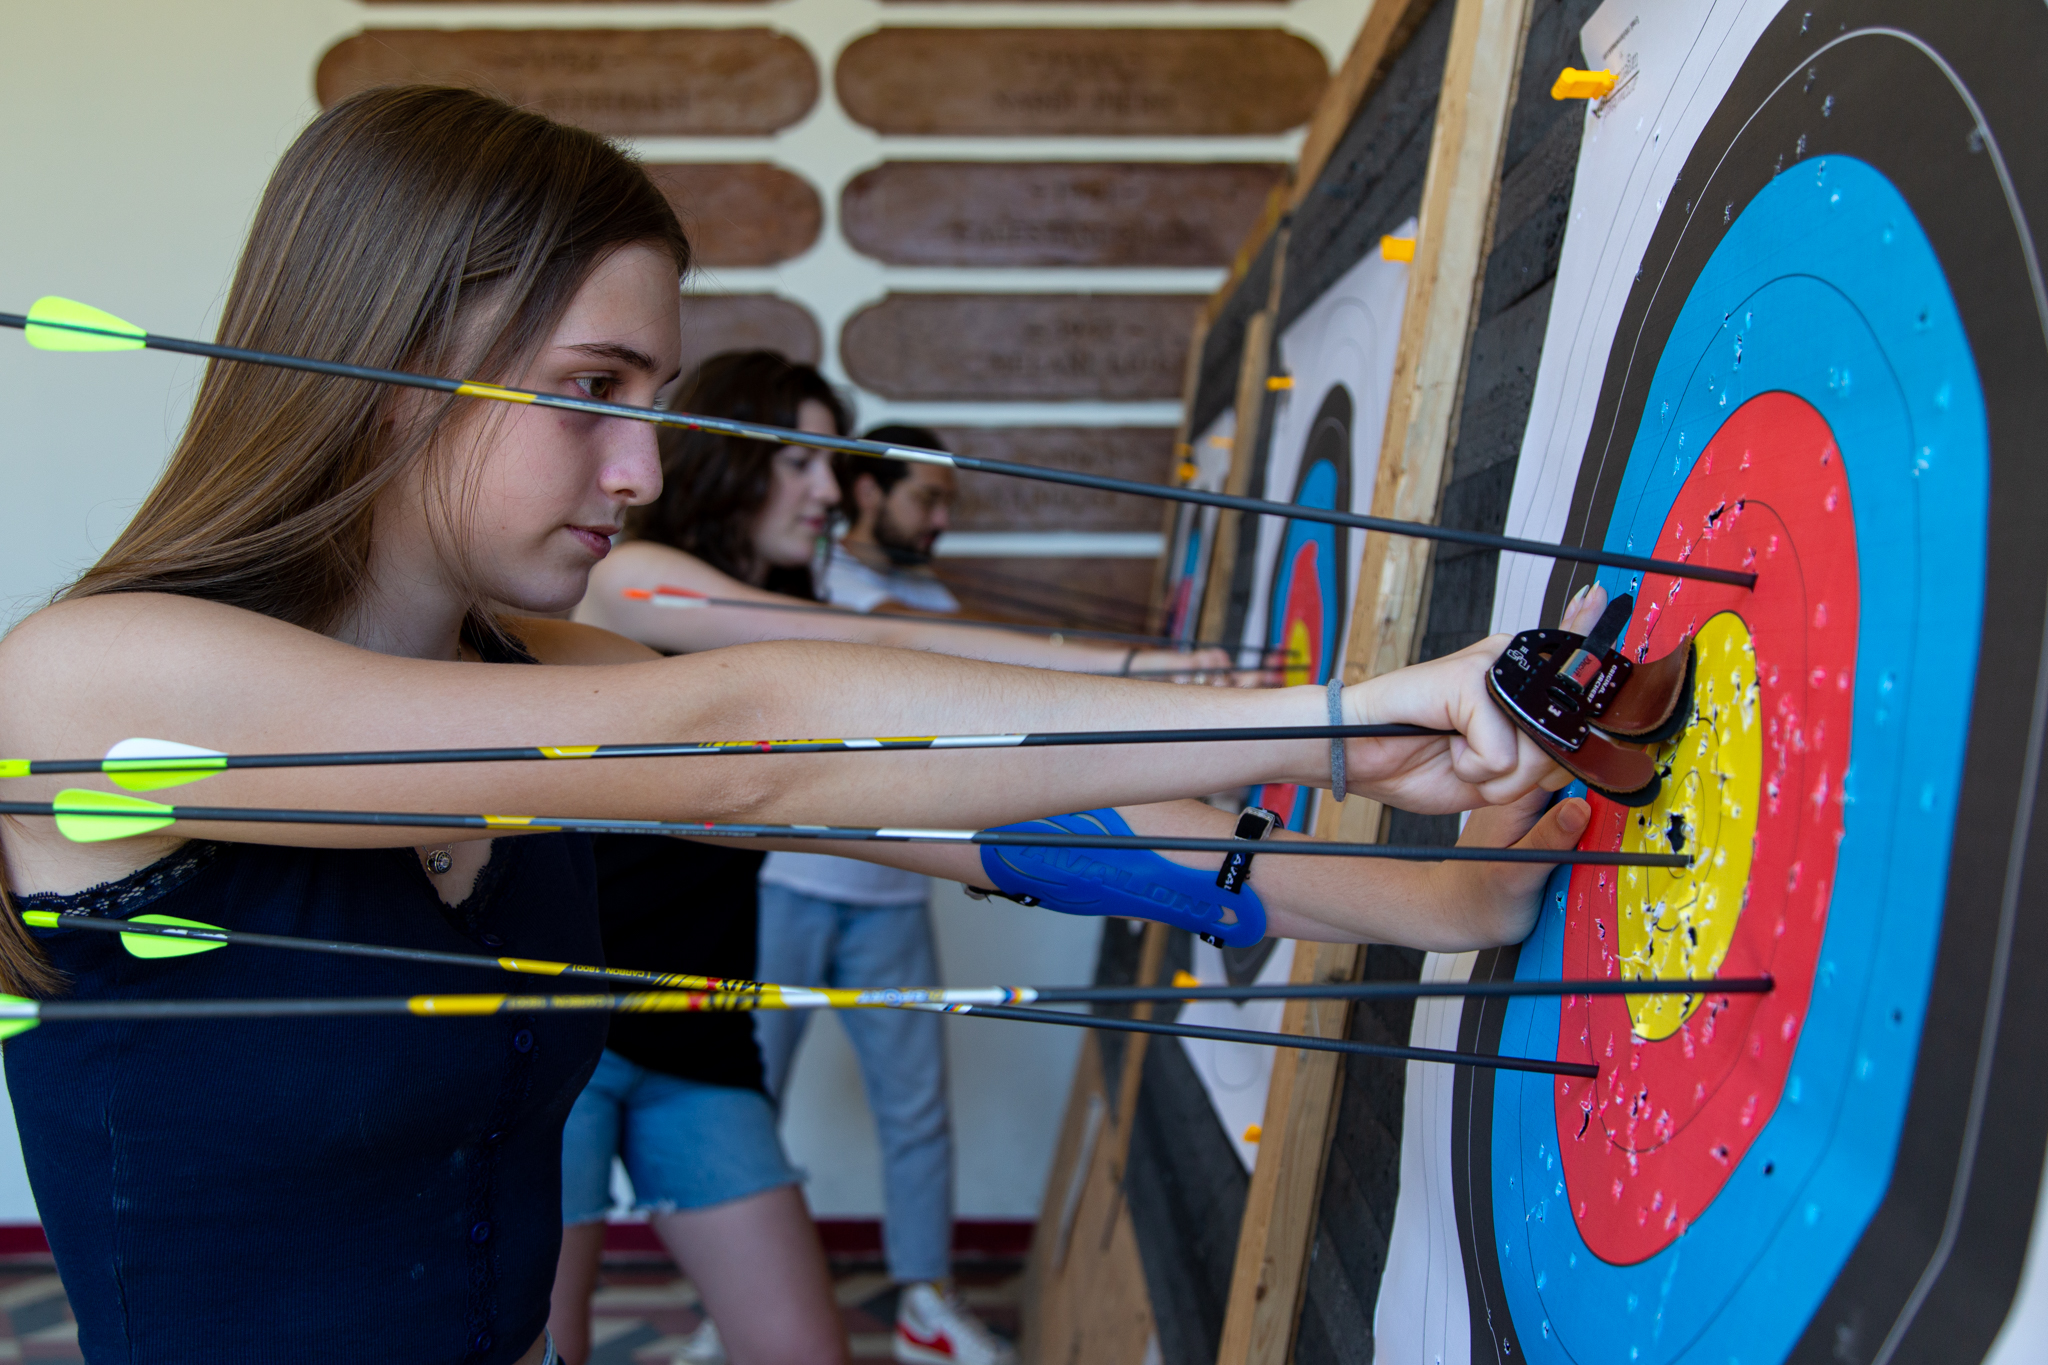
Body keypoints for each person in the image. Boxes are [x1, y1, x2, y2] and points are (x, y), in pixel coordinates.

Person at [0, 86, 1582, 1365]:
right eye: (593, 390)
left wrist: (1447, 891)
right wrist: (1334, 720)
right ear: (397, 367)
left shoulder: (535, 668)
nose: (637, 475)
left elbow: (988, 821)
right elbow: (762, 729)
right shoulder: (88, 684)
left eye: (658, 404)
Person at [549, 353, 859, 1365]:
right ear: (727, 464)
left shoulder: (788, 638)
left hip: (699, 1030)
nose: (830, 490)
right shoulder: (637, 576)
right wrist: (1137, 674)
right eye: (798, 461)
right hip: (564, 1033)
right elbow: (868, 653)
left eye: (833, 465)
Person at [756, 429, 1006, 1365]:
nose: (942, 522)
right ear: (867, 487)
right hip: (781, 888)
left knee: (916, 1112)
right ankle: (723, 1294)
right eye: (926, 500)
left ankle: (925, 1304)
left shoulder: (936, 602)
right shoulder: (802, 578)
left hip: (892, 901)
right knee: (741, 1103)